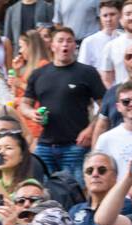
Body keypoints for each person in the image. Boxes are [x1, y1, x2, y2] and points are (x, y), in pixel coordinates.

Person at [26, 28, 107, 183]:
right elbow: (24, 104)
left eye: (69, 41)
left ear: (74, 46)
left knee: (76, 191)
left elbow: (104, 105)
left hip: (76, 144)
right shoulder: (38, 74)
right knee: (42, 190)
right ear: (52, 45)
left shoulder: (87, 72)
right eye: (61, 40)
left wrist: (90, 129)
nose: (65, 44)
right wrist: (32, 113)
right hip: (44, 144)